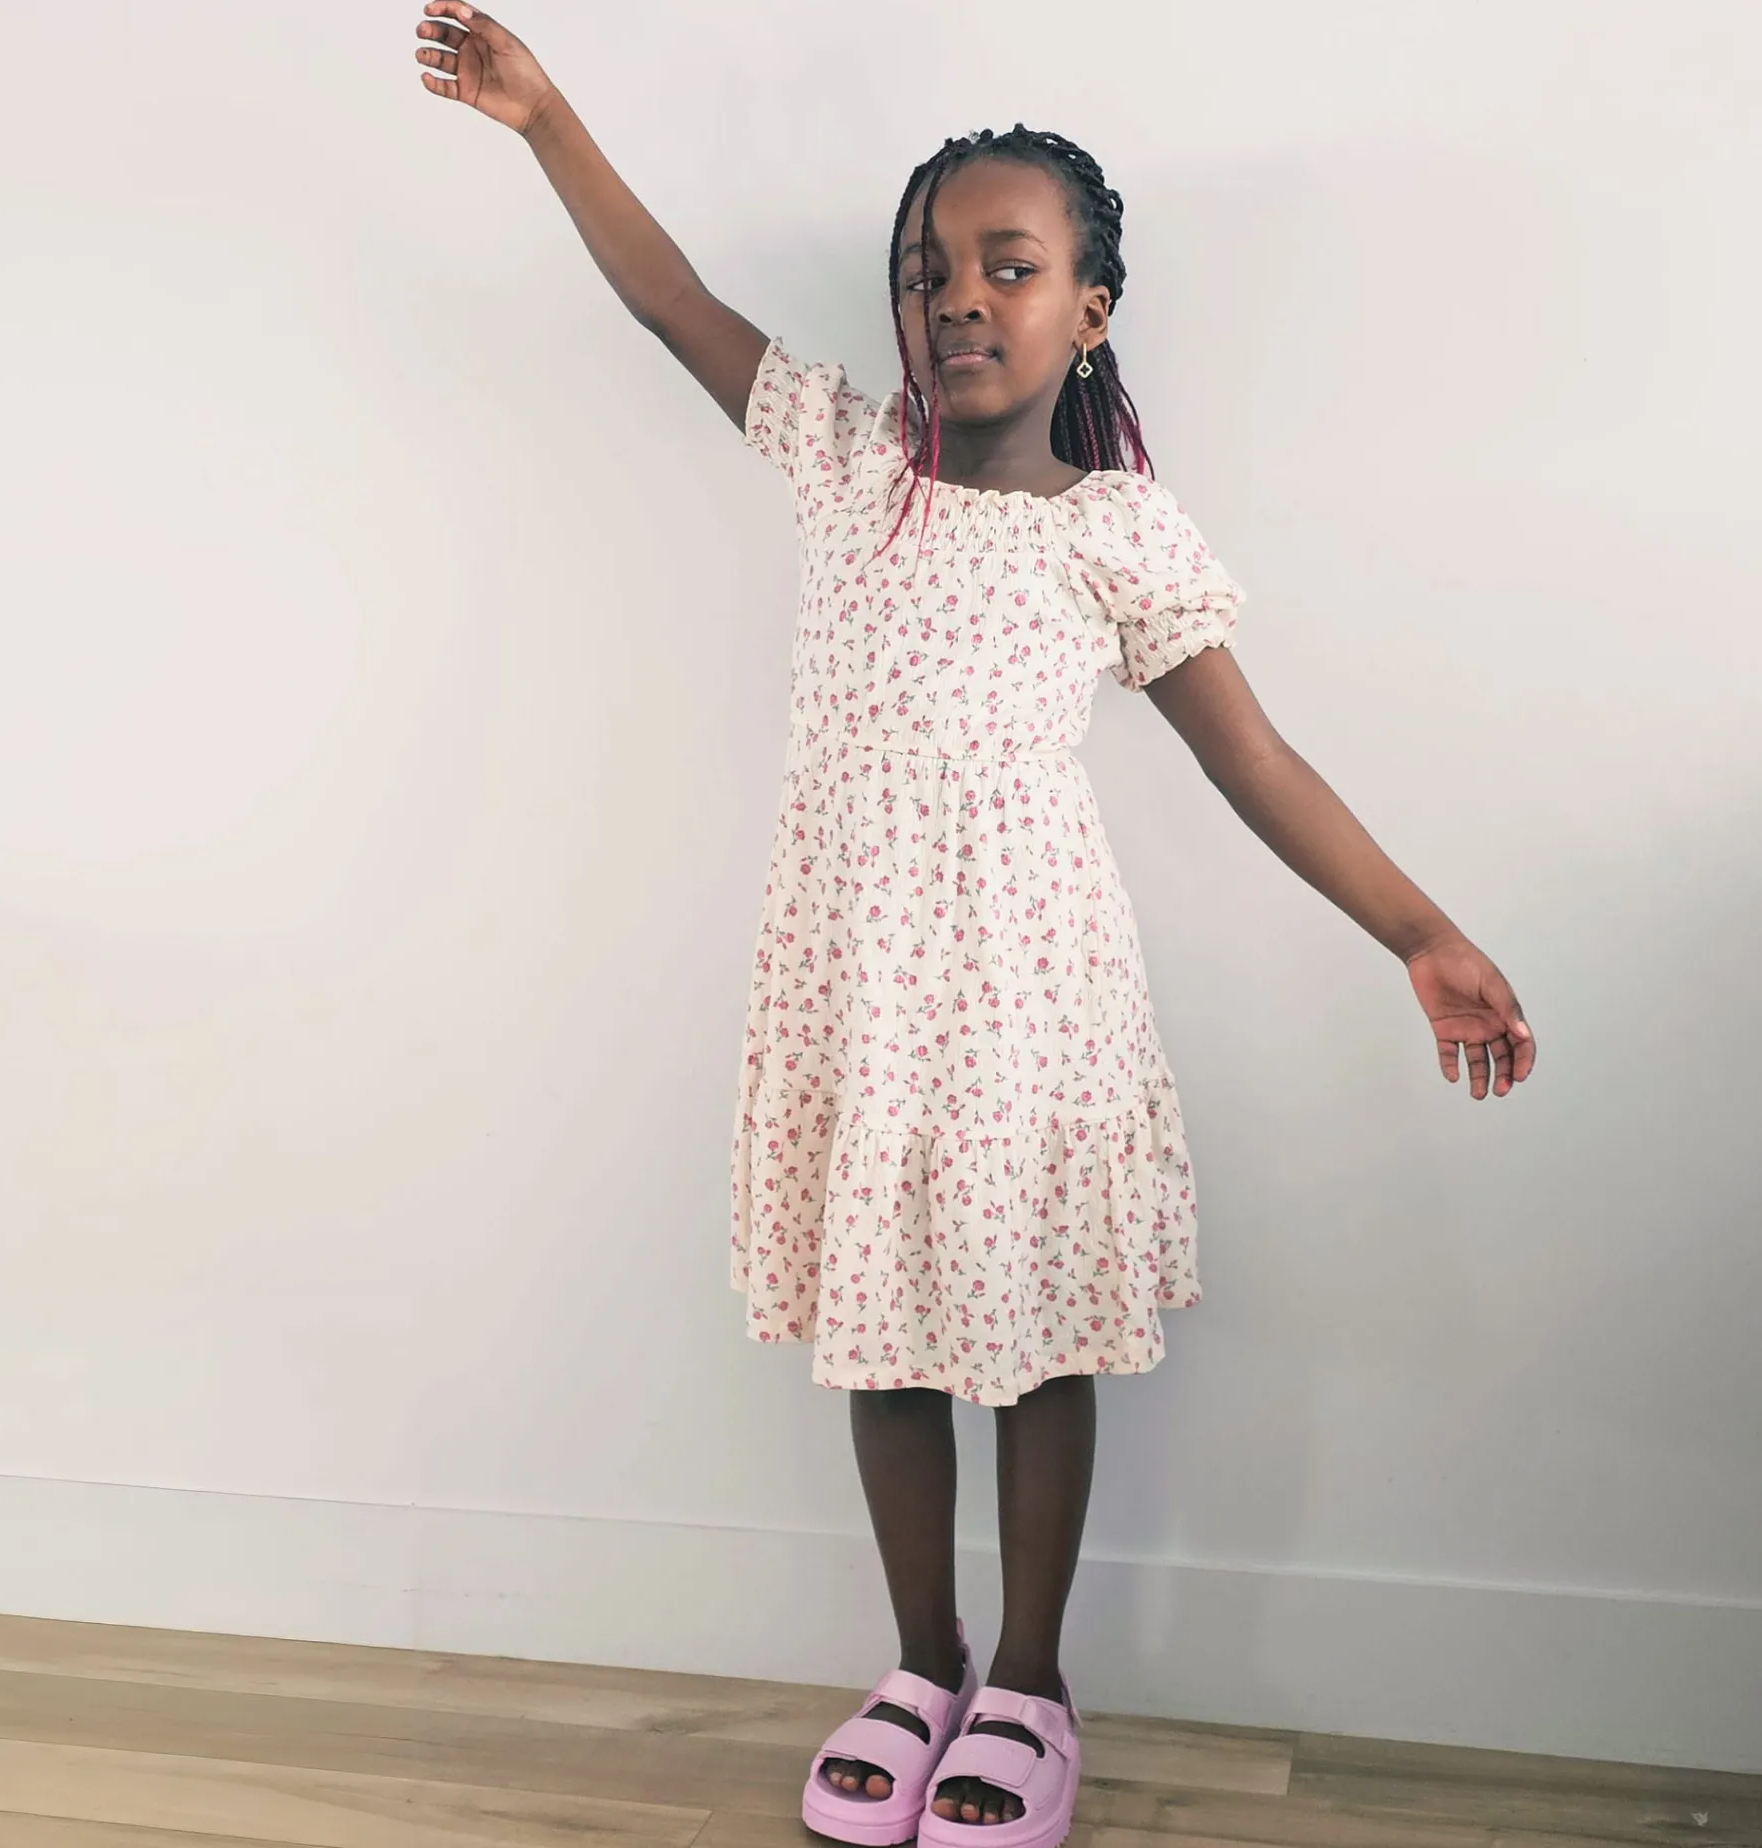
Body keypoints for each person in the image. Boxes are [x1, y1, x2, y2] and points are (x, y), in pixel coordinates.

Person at [415, 10, 1538, 1846]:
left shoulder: (1118, 531)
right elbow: (670, 300)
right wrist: (547, 121)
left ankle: (1029, 1682)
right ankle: (920, 1663)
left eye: (1007, 267)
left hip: (1029, 1001)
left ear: (1089, 308)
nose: (956, 299)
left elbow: (1257, 761)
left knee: (1035, 1340)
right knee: (882, 1343)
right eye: (926, 269)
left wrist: (1417, 928)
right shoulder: (849, 459)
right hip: (858, 992)